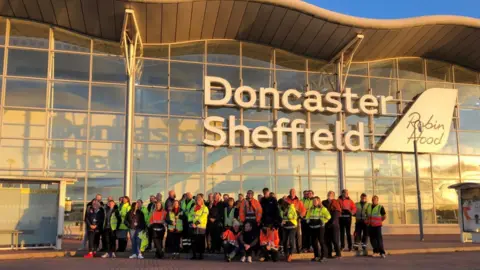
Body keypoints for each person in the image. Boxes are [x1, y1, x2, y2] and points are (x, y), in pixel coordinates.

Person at [306, 196, 331, 262]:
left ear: (318, 201)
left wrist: (323, 221)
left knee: (321, 242)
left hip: (320, 228)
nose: (314, 202)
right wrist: (307, 220)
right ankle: (316, 256)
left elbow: (328, 216)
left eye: (315, 201)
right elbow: (307, 216)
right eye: (313, 201)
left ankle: (323, 256)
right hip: (312, 227)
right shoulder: (311, 209)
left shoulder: (323, 208)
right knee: (314, 242)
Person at [285, 189, 306, 254]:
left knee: (298, 235)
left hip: (296, 220)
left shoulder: (299, 201)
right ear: (289, 193)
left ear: (295, 193)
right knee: (287, 236)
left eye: (293, 192)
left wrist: (300, 216)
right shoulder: (286, 200)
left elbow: (303, 210)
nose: (292, 193)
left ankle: (299, 250)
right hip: (287, 220)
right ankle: (287, 251)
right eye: (291, 192)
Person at [322, 191, 342, 259]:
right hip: (327, 224)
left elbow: (336, 214)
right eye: (328, 194)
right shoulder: (324, 202)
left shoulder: (336, 203)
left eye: (331, 195)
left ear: (333, 196)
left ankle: (338, 254)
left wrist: (332, 222)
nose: (329, 196)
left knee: (335, 240)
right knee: (328, 240)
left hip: (334, 225)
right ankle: (329, 254)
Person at [190, 195, 209, 260]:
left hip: (201, 227)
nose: (197, 201)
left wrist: (196, 223)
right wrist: (191, 222)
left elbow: (203, 217)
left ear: (202, 201)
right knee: (194, 241)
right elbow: (190, 214)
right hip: (194, 227)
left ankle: (201, 255)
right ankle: (194, 255)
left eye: (199, 200)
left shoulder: (205, 208)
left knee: (201, 242)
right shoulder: (194, 207)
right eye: (197, 200)